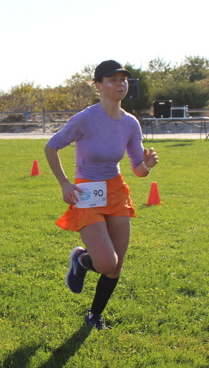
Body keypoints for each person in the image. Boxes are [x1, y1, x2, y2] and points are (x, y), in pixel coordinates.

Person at [43, 60, 159, 331]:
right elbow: (51, 147)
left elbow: (137, 169)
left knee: (116, 266)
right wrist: (64, 184)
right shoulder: (85, 119)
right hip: (87, 191)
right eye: (113, 80)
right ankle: (82, 260)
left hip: (116, 191)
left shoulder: (130, 123)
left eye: (123, 80)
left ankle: (94, 315)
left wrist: (147, 165)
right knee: (107, 263)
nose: (120, 84)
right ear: (98, 86)